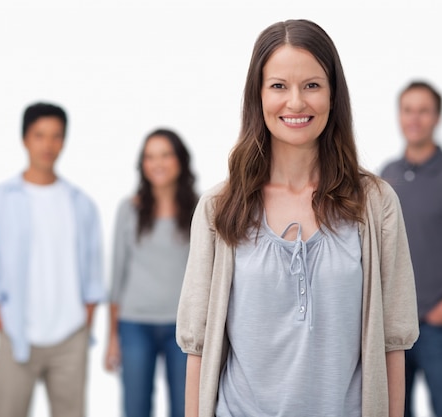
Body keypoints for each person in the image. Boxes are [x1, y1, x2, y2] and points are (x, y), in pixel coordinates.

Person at [175, 19, 420, 417]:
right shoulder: (219, 208)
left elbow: (393, 342)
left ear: (332, 94)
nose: (295, 102)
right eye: (278, 86)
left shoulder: (376, 203)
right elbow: (197, 347)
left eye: (311, 85)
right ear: (258, 96)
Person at [0, 102, 106, 417]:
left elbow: (94, 273)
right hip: (17, 333)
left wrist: (84, 324)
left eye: (56, 136)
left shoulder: (80, 203)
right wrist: (2, 321)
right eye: (39, 135)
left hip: (70, 336)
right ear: (24, 139)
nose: (48, 144)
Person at [380, 81, 442, 417]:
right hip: (393, 329)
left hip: (437, 328)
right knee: (391, 411)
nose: (414, 118)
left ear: (437, 118)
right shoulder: (387, 175)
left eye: (423, 111)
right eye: (407, 110)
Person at [105, 128, 198, 417]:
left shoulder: (201, 208)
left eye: (165, 155)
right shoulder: (129, 210)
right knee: (135, 409)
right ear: (142, 164)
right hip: (135, 325)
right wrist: (112, 337)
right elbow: (117, 276)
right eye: (150, 157)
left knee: (186, 410)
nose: (157, 163)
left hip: (183, 330)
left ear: (180, 160)